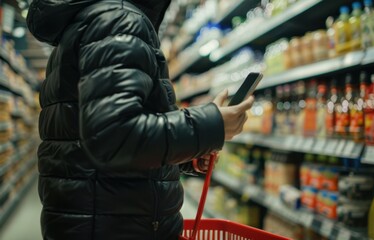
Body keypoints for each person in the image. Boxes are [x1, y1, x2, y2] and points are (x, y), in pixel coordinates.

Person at [26, 0, 254, 239]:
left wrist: (190, 153)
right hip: (113, 226)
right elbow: (115, 136)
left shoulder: (98, 20)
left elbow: (95, 140)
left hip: (101, 219)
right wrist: (211, 125)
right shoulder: (118, 20)